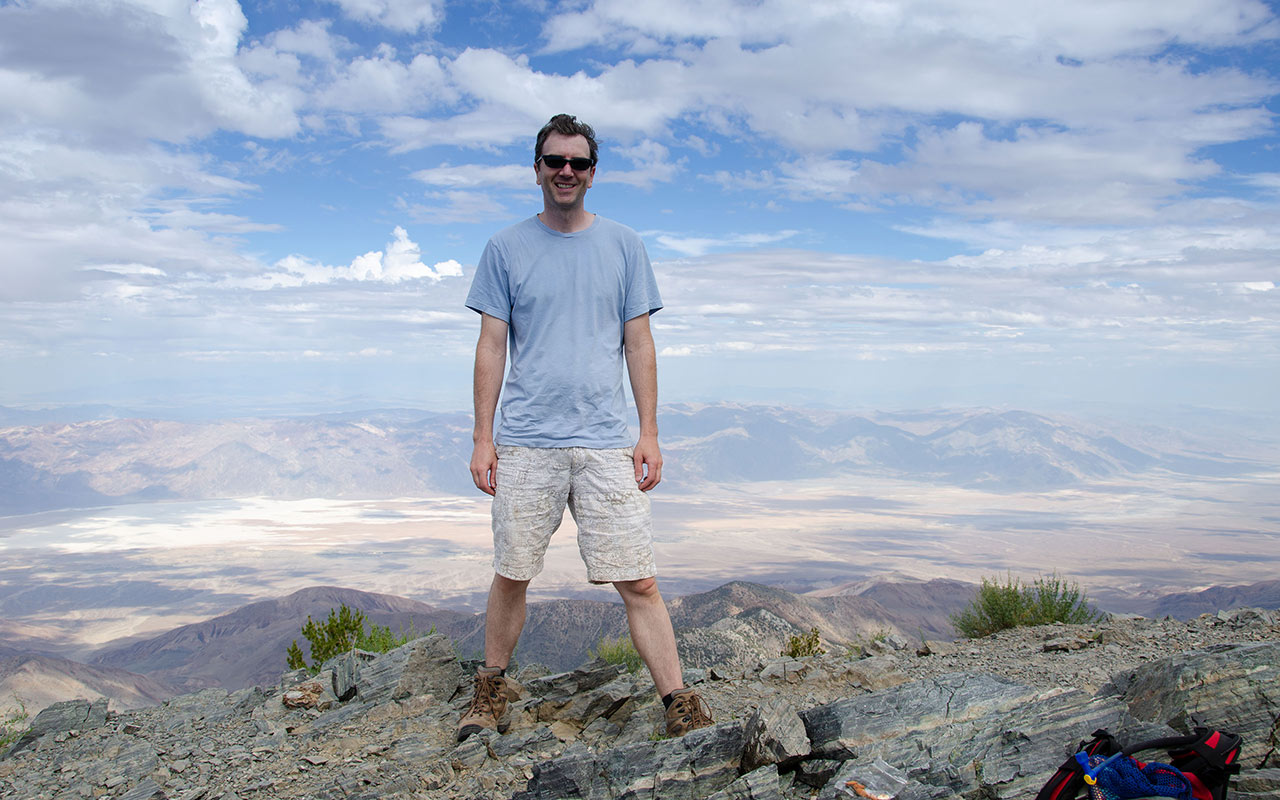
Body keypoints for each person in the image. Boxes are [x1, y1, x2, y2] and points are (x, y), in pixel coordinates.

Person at [459, 113, 713, 742]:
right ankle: (490, 689)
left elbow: (640, 342)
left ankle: (677, 700)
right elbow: (491, 345)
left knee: (640, 578)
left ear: (593, 174)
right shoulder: (505, 248)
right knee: (512, 571)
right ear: (537, 169)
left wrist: (648, 431)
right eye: (554, 161)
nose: (565, 172)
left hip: (604, 440)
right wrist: (482, 437)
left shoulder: (625, 246)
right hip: (526, 441)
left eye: (577, 163)